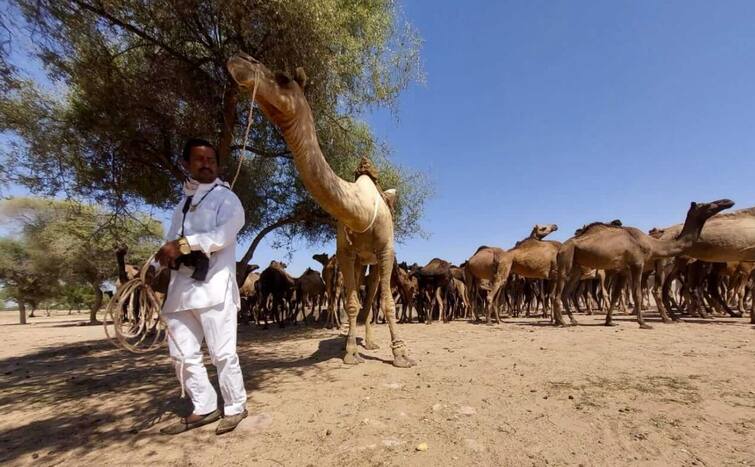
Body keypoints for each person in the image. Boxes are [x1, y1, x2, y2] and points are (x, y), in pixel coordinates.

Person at [155, 138, 247, 435]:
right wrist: (154, 268)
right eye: (199, 159)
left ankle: (235, 406)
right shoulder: (181, 205)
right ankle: (204, 406)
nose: (206, 164)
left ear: (217, 165)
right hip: (180, 291)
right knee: (181, 354)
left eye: (211, 159)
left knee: (223, 353)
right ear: (186, 164)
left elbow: (224, 234)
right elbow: (168, 242)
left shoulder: (226, 198)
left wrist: (184, 245)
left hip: (214, 287)